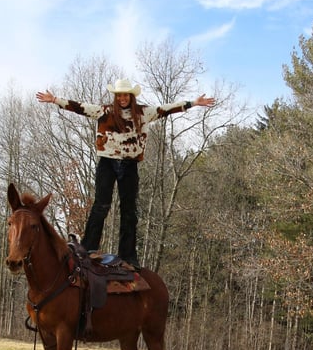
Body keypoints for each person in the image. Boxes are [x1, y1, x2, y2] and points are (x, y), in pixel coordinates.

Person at [36, 78, 215, 269]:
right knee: (101, 205)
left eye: (125, 95)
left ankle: (128, 255)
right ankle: (88, 247)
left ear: (131, 96)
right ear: (116, 96)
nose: (122, 98)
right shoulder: (105, 111)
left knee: (129, 210)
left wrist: (193, 103)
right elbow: (80, 107)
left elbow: (166, 109)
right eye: (119, 95)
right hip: (107, 162)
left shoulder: (143, 113)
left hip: (129, 164)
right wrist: (55, 99)